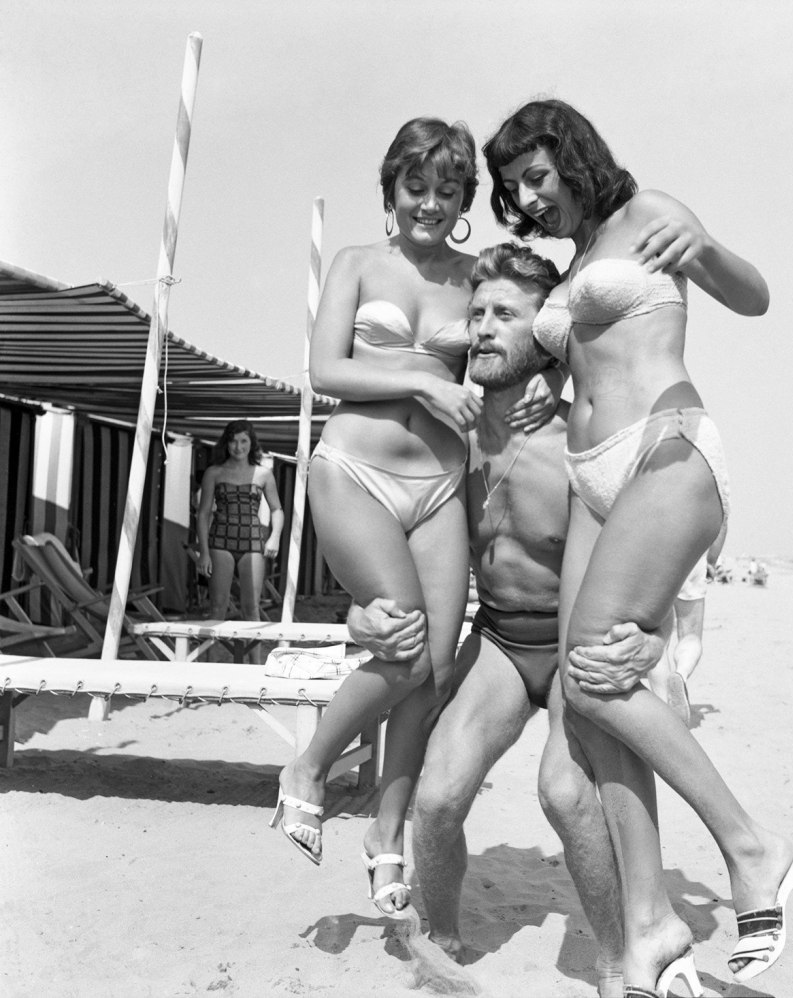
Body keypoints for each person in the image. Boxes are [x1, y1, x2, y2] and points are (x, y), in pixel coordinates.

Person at [484, 99, 793, 992]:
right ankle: (647, 925)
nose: (527, 198)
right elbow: (580, 356)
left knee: (598, 669)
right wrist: (540, 384)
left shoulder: (650, 216)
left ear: (574, 156)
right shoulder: (574, 262)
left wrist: (703, 251)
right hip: (590, 473)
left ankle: (752, 849)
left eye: (537, 177)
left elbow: (754, 296)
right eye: (515, 187)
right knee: (592, 715)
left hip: (663, 448)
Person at [346, 242, 668, 998]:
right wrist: (362, 613)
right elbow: (377, 531)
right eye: (478, 313)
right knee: (436, 798)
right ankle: (445, 936)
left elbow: (662, 535)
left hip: (572, 641)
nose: (485, 327)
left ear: (546, 332)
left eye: (506, 314)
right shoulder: (443, 435)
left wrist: (648, 633)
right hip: (495, 638)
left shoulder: (577, 438)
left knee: (562, 792)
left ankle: (620, 961)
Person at [270, 119, 559, 917]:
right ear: (391, 189)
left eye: (447, 192)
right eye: (415, 188)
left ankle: (386, 838)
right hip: (356, 472)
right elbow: (324, 370)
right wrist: (426, 384)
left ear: (466, 200)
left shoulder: (476, 277)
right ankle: (308, 769)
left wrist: (552, 372)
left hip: (439, 487)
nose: (430, 205)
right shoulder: (358, 264)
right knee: (396, 648)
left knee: (430, 670)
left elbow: (543, 315)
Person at [196, 419, 283, 621]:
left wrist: (275, 537)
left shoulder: (264, 474)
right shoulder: (214, 473)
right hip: (219, 542)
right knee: (217, 607)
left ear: (252, 443)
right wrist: (204, 553)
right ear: (226, 444)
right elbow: (203, 514)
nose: (238, 447)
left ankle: (255, 655)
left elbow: (277, 509)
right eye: (233, 441)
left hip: (252, 543)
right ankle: (209, 653)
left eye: (243, 441)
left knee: (251, 609)